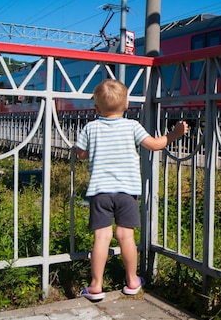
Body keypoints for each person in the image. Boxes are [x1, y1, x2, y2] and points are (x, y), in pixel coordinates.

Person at [74, 78, 188, 301]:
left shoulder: (90, 127)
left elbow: (81, 152)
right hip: (127, 192)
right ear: (127, 105)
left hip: (100, 192)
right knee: (126, 236)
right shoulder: (132, 126)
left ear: (96, 108)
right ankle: (132, 281)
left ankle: (96, 285)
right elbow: (155, 145)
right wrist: (174, 134)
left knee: (102, 237)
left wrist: (89, 152)